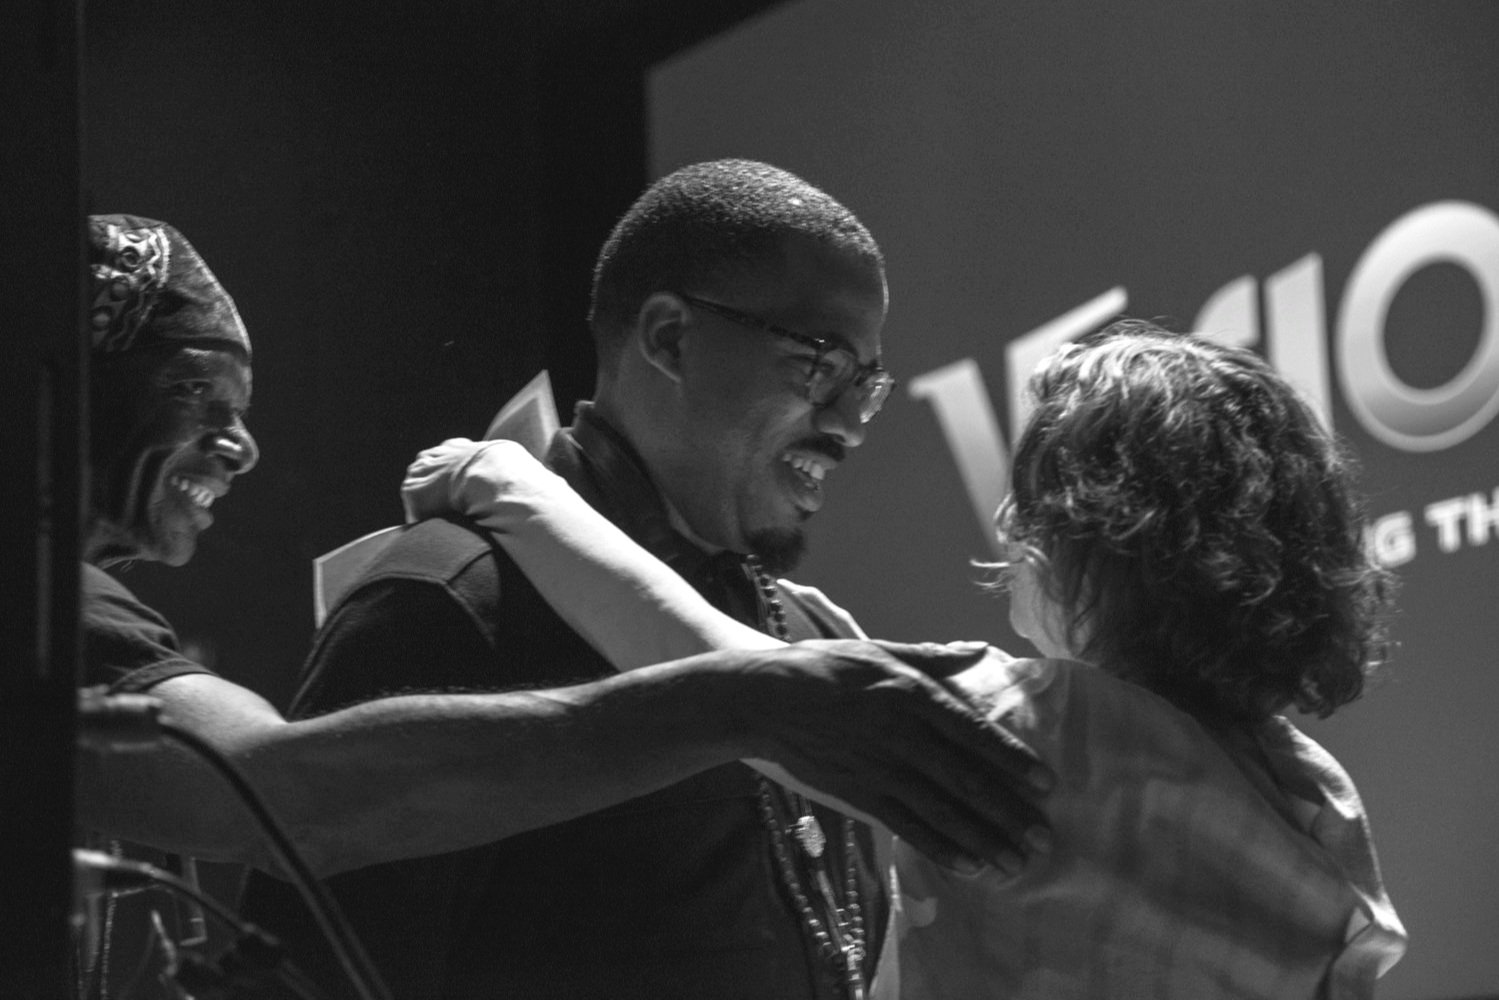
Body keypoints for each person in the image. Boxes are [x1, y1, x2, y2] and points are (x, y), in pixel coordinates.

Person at [75, 211, 1049, 994]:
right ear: (668, 335)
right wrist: (742, 699)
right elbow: (281, 813)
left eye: (866, 387)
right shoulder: (455, 593)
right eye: (819, 364)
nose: (846, 421)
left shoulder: (802, 633)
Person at [407, 320, 1409, 997]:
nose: (1012, 525)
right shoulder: (1316, 798)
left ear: (1097, 535)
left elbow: (720, 675)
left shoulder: (1045, 726)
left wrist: (506, 484)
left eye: (1034, 502)